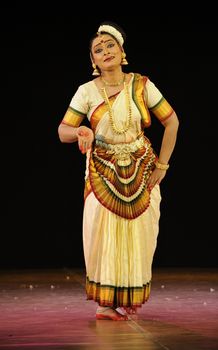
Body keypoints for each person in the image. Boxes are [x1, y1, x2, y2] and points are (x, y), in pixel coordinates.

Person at [58, 21, 179, 321]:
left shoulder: (141, 85)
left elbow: (172, 121)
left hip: (141, 169)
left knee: (140, 235)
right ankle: (105, 304)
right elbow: (63, 130)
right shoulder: (86, 91)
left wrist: (162, 165)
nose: (105, 51)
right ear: (93, 61)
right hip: (102, 172)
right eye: (98, 50)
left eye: (110, 45)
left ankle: (124, 297)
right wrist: (80, 132)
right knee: (102, 234)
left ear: (122, 50)